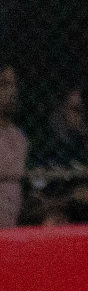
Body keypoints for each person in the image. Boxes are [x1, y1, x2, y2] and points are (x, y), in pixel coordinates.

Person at [0, 66, 26, 228]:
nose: (11, 92)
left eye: (13, 85)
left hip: (12, 225)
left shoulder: (19, 137)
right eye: (3, 84)